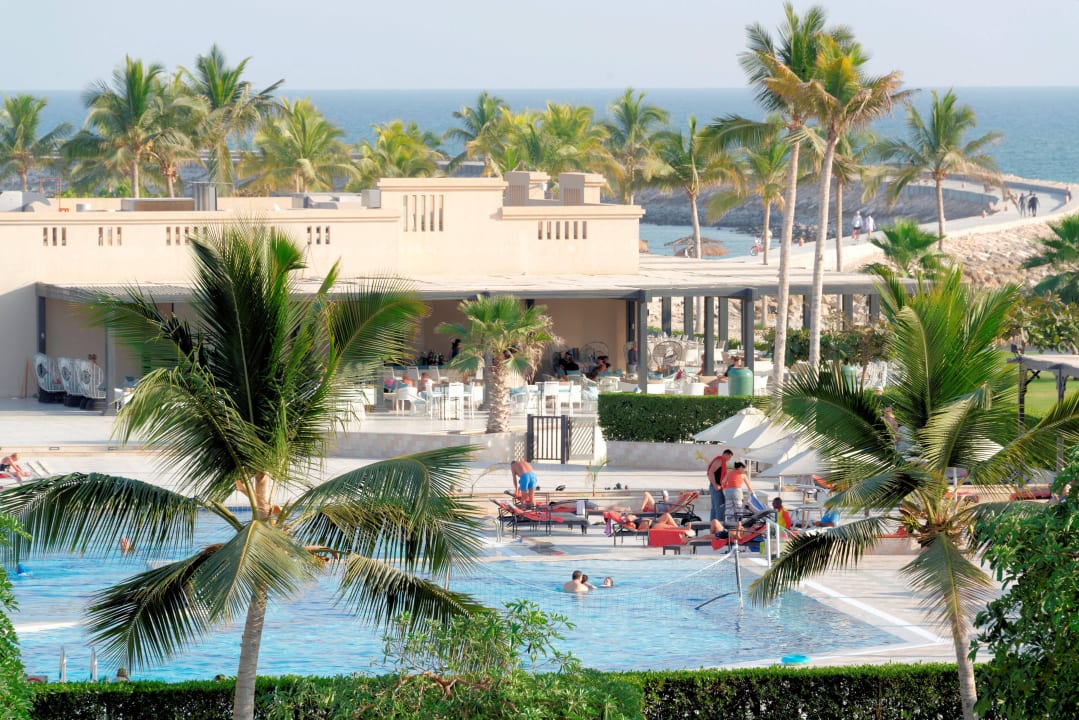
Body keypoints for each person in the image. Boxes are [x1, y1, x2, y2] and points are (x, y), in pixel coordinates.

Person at [706, 450, 733, 524]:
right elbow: (710, 472)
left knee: (715, 508)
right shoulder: (719, 461)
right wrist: (715, 485)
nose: (729, 459)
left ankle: (713, 528)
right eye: (729, 456)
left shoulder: (721, 461)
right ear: (726, 454)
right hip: (716, 487)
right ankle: (719, 528)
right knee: (720, 508)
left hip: (715, 487)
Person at [722, 462, 752, 527]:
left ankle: (730, 524)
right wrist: (752, 493)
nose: (744, 470)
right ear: (740, 467)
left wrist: (728, 486)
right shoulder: (742, 475)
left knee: (729, 508)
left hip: (728, 492)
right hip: (737, 492)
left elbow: (723, 482)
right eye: (743, 468)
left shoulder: (729, 472)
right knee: (739, 509)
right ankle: (738, 524)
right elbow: (748, 485)